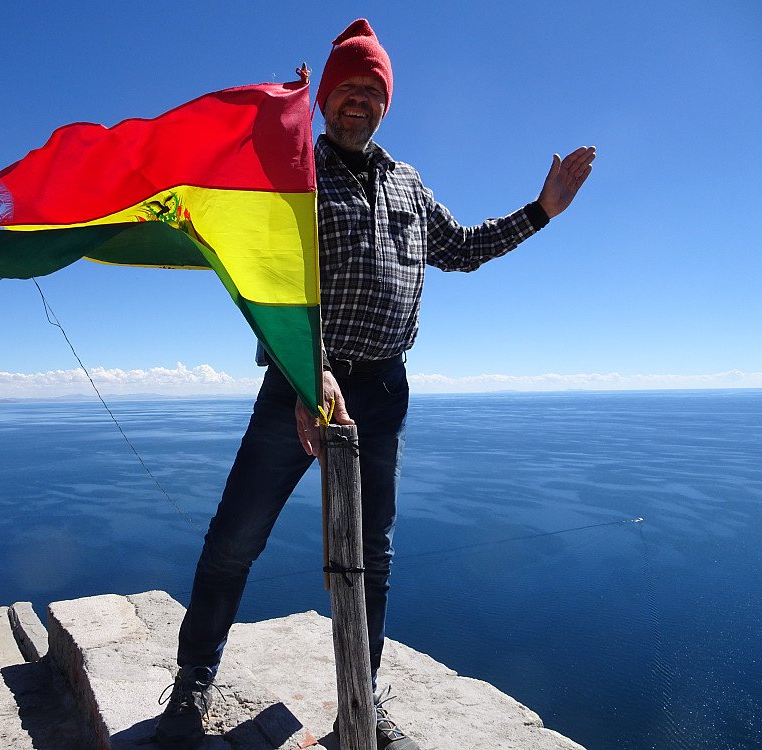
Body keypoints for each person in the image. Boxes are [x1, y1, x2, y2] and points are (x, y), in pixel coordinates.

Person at [155, 18, 595, 750]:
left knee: (371, 555)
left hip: (382, 393)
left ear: (385, 101)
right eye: (346, 89)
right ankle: (192, 686)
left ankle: (361, 701)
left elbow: (462, 250)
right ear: (325, 99)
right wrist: (307, 364)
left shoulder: (408, 182)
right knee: (235, 539)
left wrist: (540, 211)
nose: (358, 100)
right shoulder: (292, 171)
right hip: (301, 381)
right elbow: (260, 280)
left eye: (371, 89)